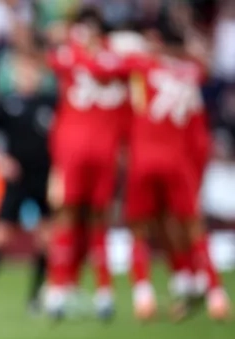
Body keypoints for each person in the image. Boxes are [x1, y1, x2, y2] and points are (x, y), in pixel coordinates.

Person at [97, 25, 228, 321]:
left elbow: (107, 68)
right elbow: (204, 66)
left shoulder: (142, 65)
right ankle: (215, 294)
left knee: (139, 228)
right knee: (192, 227)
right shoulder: (189, 72)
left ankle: (143, 295)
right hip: (178, 159)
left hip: (144, 158)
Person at [44, 7, 128, 320]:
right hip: (98, 148)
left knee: (75, 217)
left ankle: (64, 289)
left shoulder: (74, 55)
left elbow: (52, 58)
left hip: (79, 147)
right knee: (90, 219)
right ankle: (91, 291)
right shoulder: (116, 59)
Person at [0, 43, 55, 316]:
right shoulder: (4, 103)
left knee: (46, 238)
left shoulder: (50, 102)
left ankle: (36, 297)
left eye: (31, 70)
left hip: (44, 177)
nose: (27, 75)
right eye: (22, 70)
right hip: (17, 179)